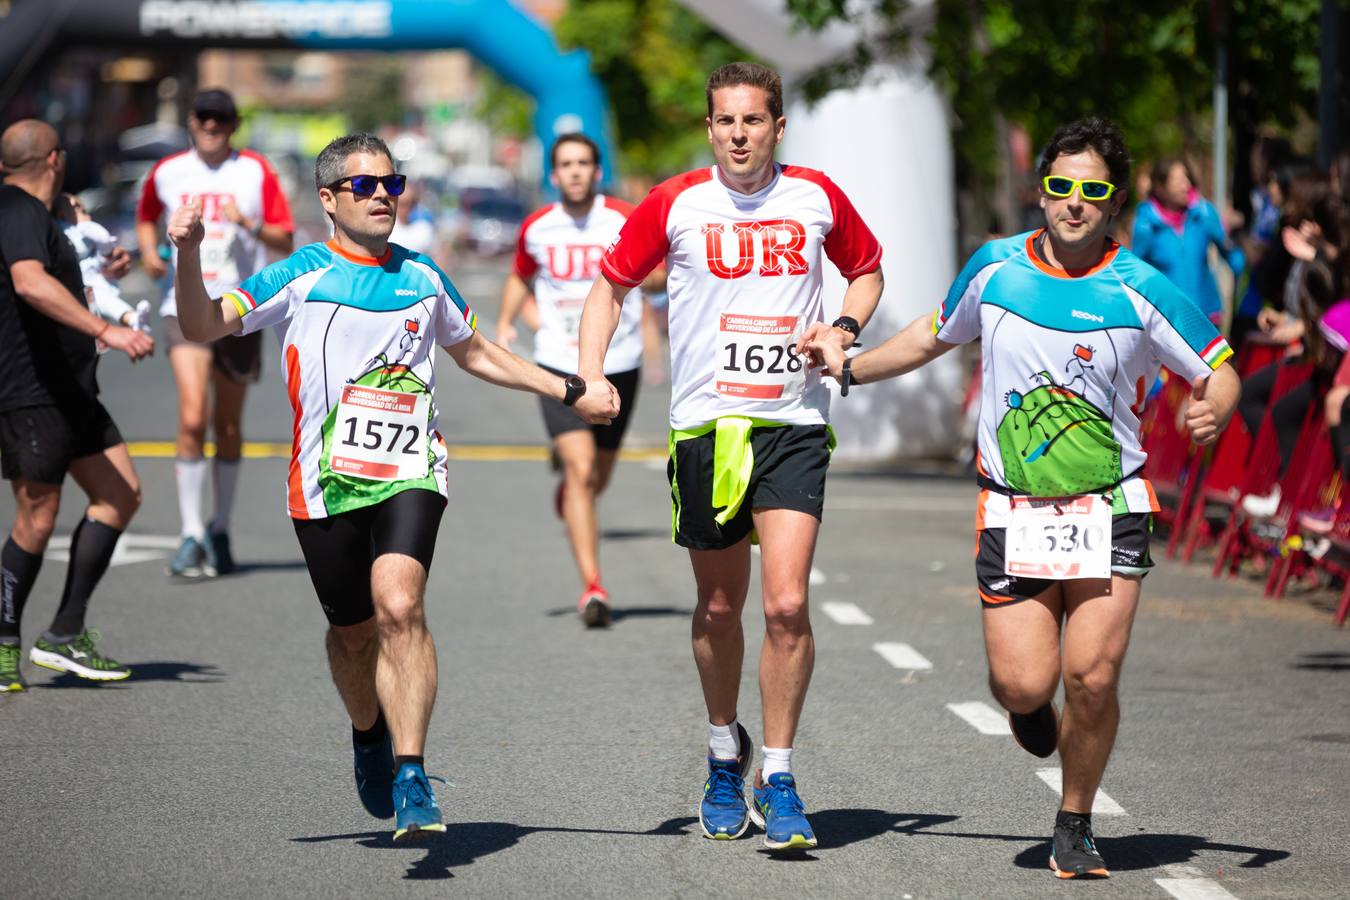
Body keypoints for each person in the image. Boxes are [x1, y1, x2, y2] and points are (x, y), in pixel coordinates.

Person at [808, 118, 1240, 879]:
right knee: (1024, 683)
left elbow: (1216, 363)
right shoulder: (996, 269)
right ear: (1041, 191)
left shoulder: (1141, 286)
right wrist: (850, 369)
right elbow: (931, 335)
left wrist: (1218, 406)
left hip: (1112, 504)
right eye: (1062, 186)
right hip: (1015, 506)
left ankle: (1075, 820)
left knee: (1094, 676)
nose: (1075, 202)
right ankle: (1031, 711)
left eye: (1093, 190)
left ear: (1114, 203)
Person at [167, 132, 616, 840]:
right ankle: (368, 732)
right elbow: (199, 323)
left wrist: (570, 387)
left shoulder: (423, 275)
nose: (383, 196)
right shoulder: (299, 275)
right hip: (324, 484)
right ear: (328, 200)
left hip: (412, 468)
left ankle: (412, 770)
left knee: (399, 604)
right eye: (365, 186)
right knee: (351, 636)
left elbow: (478, 352)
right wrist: (187, 253)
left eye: (393, 185)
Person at [574, 62, 884, 850]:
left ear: (779, 127)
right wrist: (590, 372)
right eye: (726, 122)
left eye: (754, 120)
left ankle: (777, 775)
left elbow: (867, 270)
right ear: (709, 128)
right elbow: (610, 286)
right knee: (719, 607)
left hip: (793, 424)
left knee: (785, 606)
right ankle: (723, 752)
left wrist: (842, 331)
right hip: (706, 428)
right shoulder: (676, 202)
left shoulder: (815, 195)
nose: (739, 134)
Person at [0, 119, 155, 692]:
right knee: (36, 519)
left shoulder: (41, 219)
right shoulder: (16, 209)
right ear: (55, 160)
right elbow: (28, 283)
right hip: (30, 391)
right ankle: (3, 645)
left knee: (120, 495)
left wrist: (99, 278)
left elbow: (57, 284)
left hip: (71, 388)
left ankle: (64, 635)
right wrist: (106, 331)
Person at [497, 133, 658, 626]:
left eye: (583, 163)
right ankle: (593, 586)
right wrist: (510, 321)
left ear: (596, 170)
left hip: (618, 359)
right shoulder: (538, 227)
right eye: (565, 164)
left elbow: (655, 274)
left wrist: (655, 278)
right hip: (558, 364)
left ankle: (571, 493)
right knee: (583, 469)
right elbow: (520, 277)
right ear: (553, 173)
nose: (574, 172)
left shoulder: (625, 218)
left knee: (598, 476)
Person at [136, 88, 295, 578]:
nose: (212, 126)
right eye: (204, 118)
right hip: (183, 305)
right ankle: (189, 534)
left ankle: (220, 527)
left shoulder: (254, 172)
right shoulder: (167, 173)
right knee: (191, 417)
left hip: (239, 306)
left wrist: (248, 223)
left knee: (227, 425)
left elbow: (285, 237)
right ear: (191, 121)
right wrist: (148, 254)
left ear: (234, 124)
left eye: (221, 120)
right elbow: (146, 218)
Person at [1131, 157, 1244, 325]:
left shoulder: (1203, 213)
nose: (1184, 186)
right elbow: (1136, 268)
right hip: (1167, 318)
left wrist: (1248, 279)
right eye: (1176, 181)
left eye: (1186, 178)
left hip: (1206, 315)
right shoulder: (1147, 223)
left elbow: (1230, 252)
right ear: (1160, 188)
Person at [53, 192, 151, 334]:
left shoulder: (84, 233)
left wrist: (108, 256)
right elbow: (102, 237)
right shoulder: (73, 231)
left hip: (94, 282)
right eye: (80, 209)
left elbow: (103, 244)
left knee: (103, 299)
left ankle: (132, 318)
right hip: (83, 290)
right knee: (101, 299)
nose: (88, 215)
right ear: (62, 217)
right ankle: (131, 318)